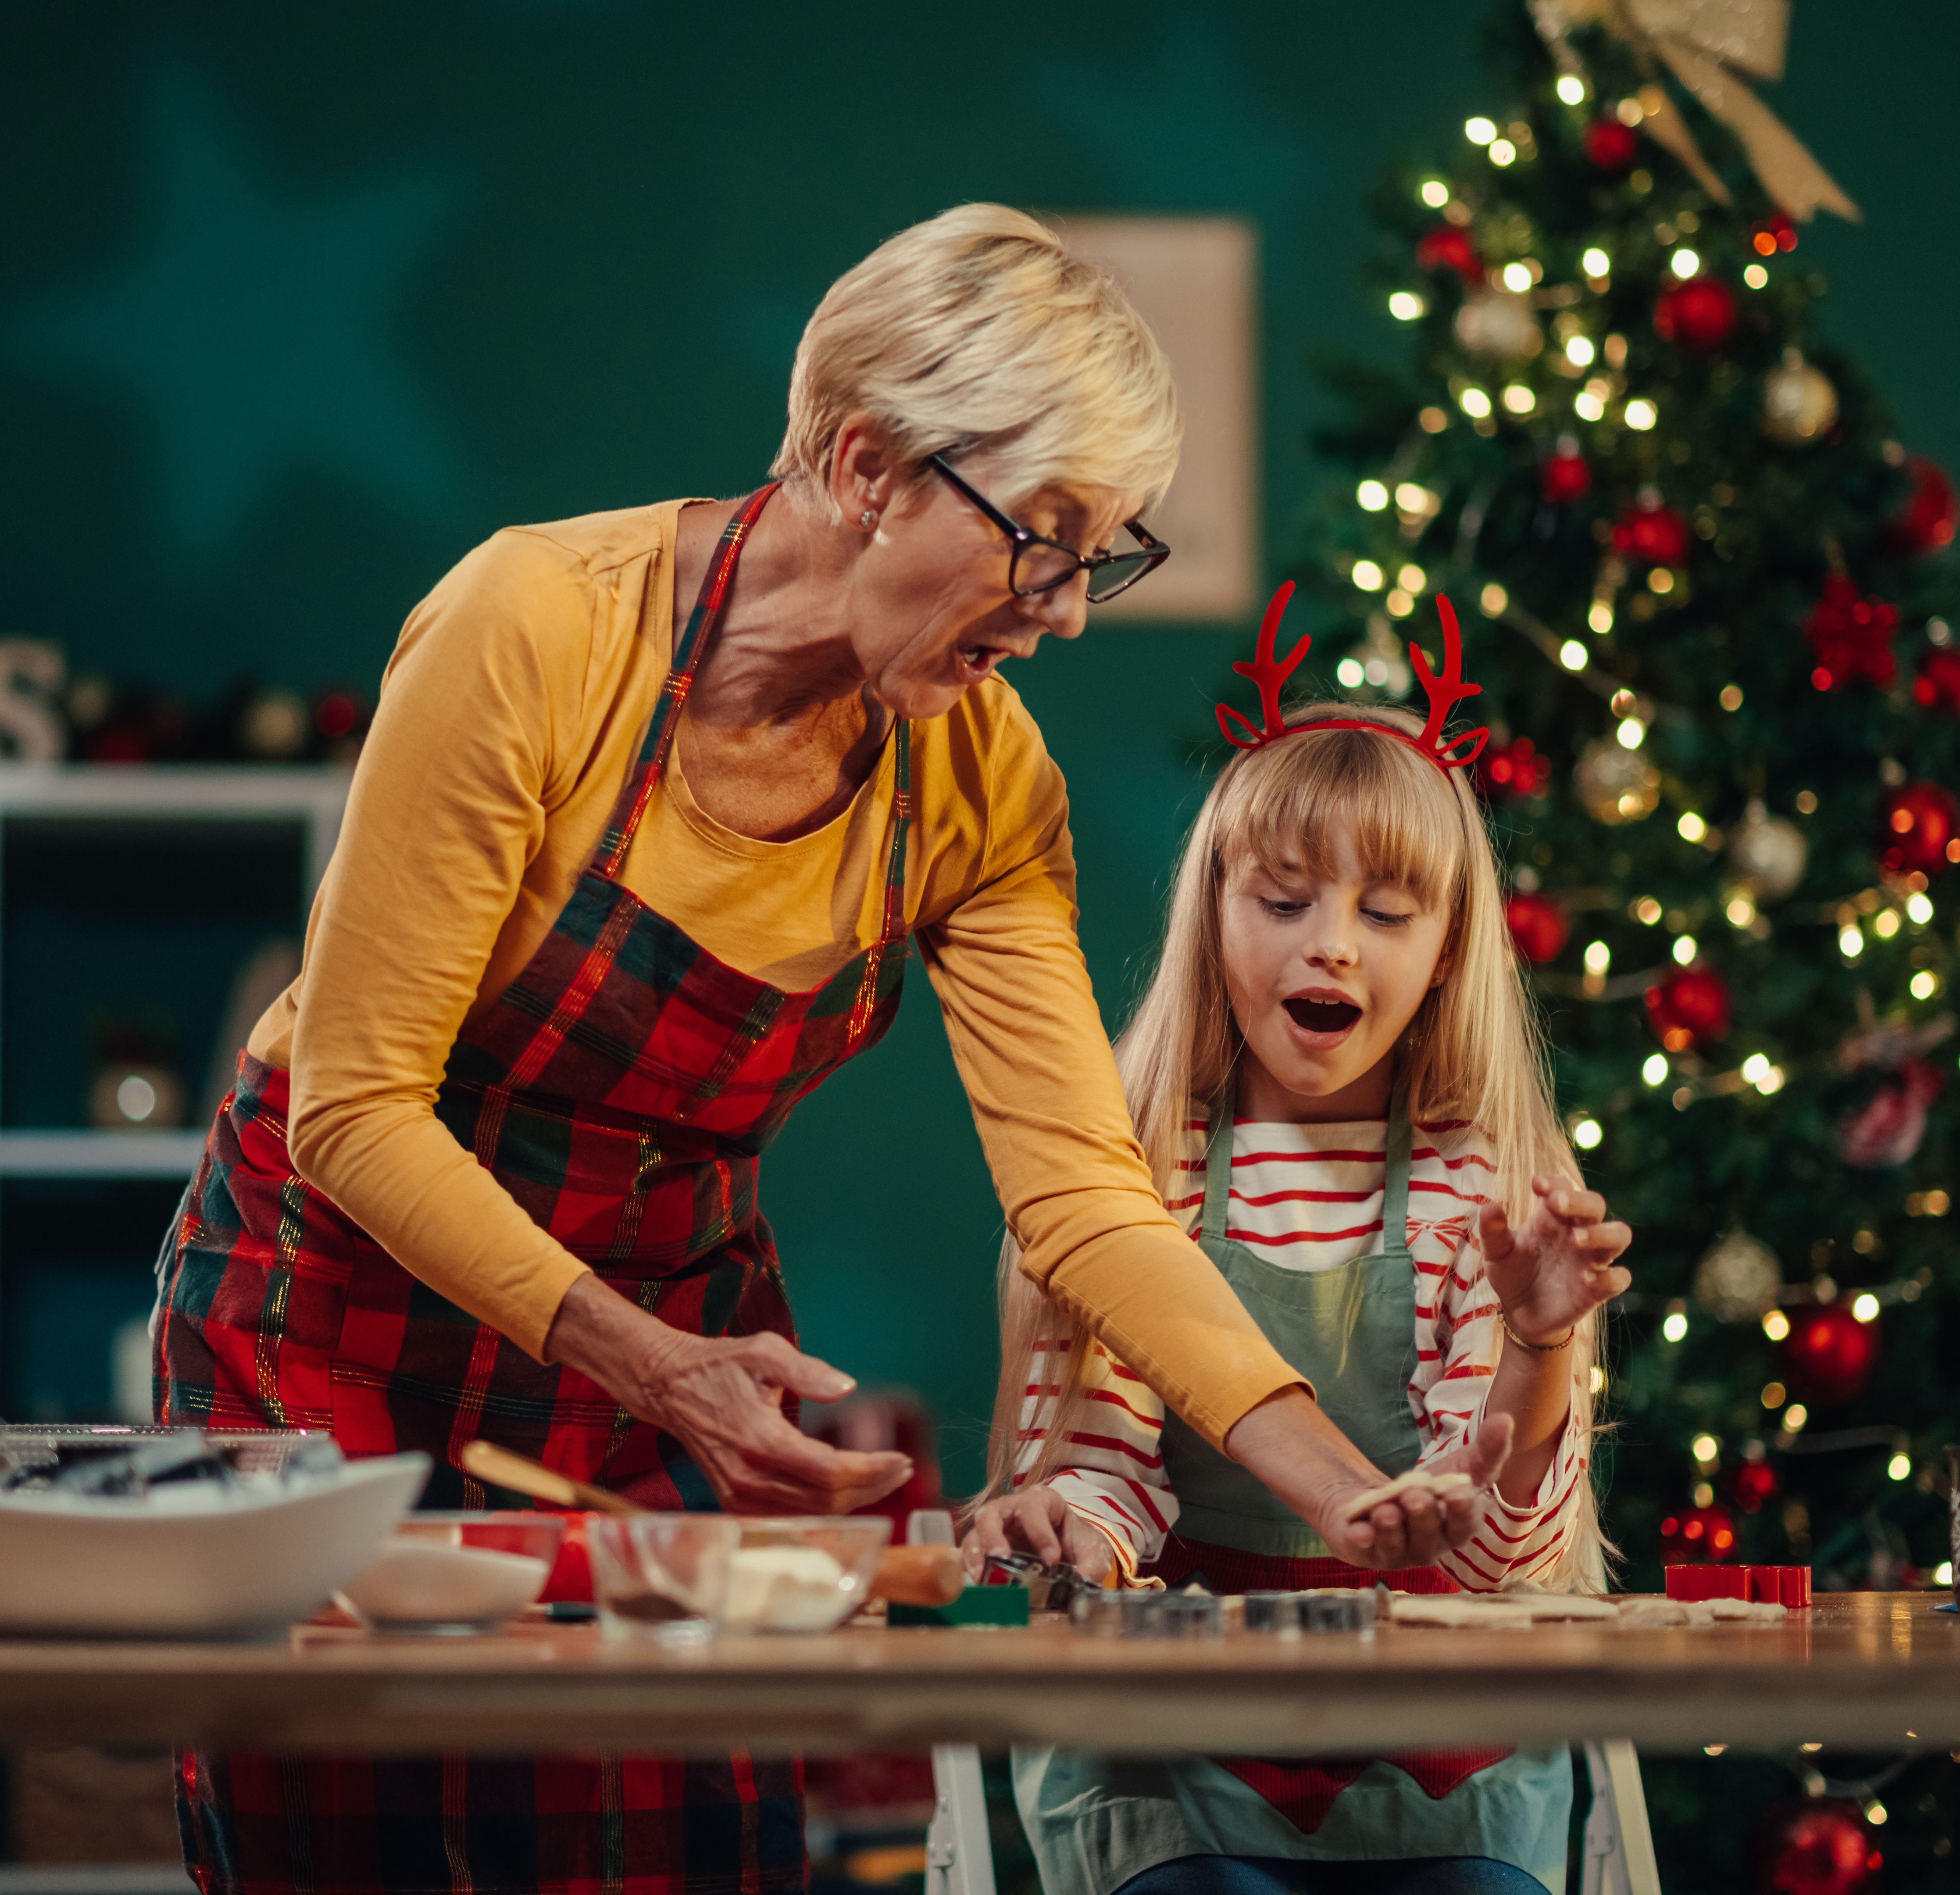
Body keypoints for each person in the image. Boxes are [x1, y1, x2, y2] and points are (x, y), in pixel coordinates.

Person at [149, 208, 1498, 1895]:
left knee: (668, 1841)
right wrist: (659, 1367)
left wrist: (1346, 1486)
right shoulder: (537, 628)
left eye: (1106, 555)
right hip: (327, 1310)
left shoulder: (986, 785)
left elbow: (1086, 1199)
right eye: (1049, 540)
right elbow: (357, 1108)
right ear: (867, 464)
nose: (1071, 611)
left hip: (671, 1321)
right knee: (345, 1836)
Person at [965, 596, 1633, 1895]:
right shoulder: (1134, 1177)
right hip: (1185, 1765)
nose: (1331, 940)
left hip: (1438, 1770)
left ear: (1447, 957)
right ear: (1214, 916)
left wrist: (1539, 1348)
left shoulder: (1483, 1192)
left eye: (1388, 914)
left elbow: (1496, 1560)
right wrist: (1064, 1536)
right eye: (1283, 897)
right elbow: (1104, 1484)